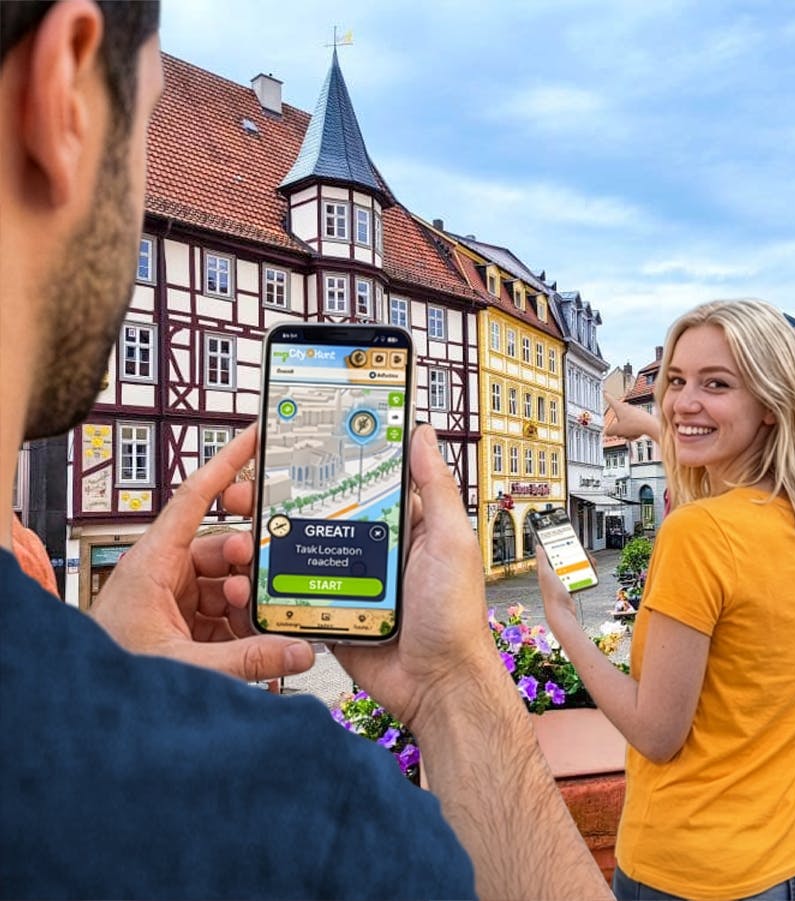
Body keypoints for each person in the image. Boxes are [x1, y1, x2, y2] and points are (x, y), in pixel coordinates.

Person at [0, 4, 609, 898]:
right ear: (65, 96)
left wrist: (102, 673)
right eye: (147, 116)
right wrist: (454, 683)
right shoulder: (290, 816)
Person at [540, 300, 795, 901]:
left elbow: (657, 734)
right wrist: (651, 425)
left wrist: (563, 623)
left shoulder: (698, 534)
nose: (682, 401)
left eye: (716, 384)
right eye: (675, 382)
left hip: (694, 871)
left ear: (770, 404)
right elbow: (721, 472)